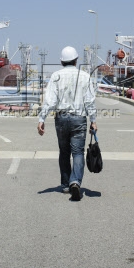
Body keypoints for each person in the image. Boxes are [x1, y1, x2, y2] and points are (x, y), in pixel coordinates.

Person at [37, 46, 97, 201]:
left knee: (64, 152)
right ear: (76, 60)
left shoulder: (56, 76)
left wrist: (42, 119)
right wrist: (93, 120)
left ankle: (65, 185)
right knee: (77, 152)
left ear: (61, 61)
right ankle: (75, 181)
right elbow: (89, 101)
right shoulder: (84, 76)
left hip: (61, 118)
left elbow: (50, 100)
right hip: (79, 119)